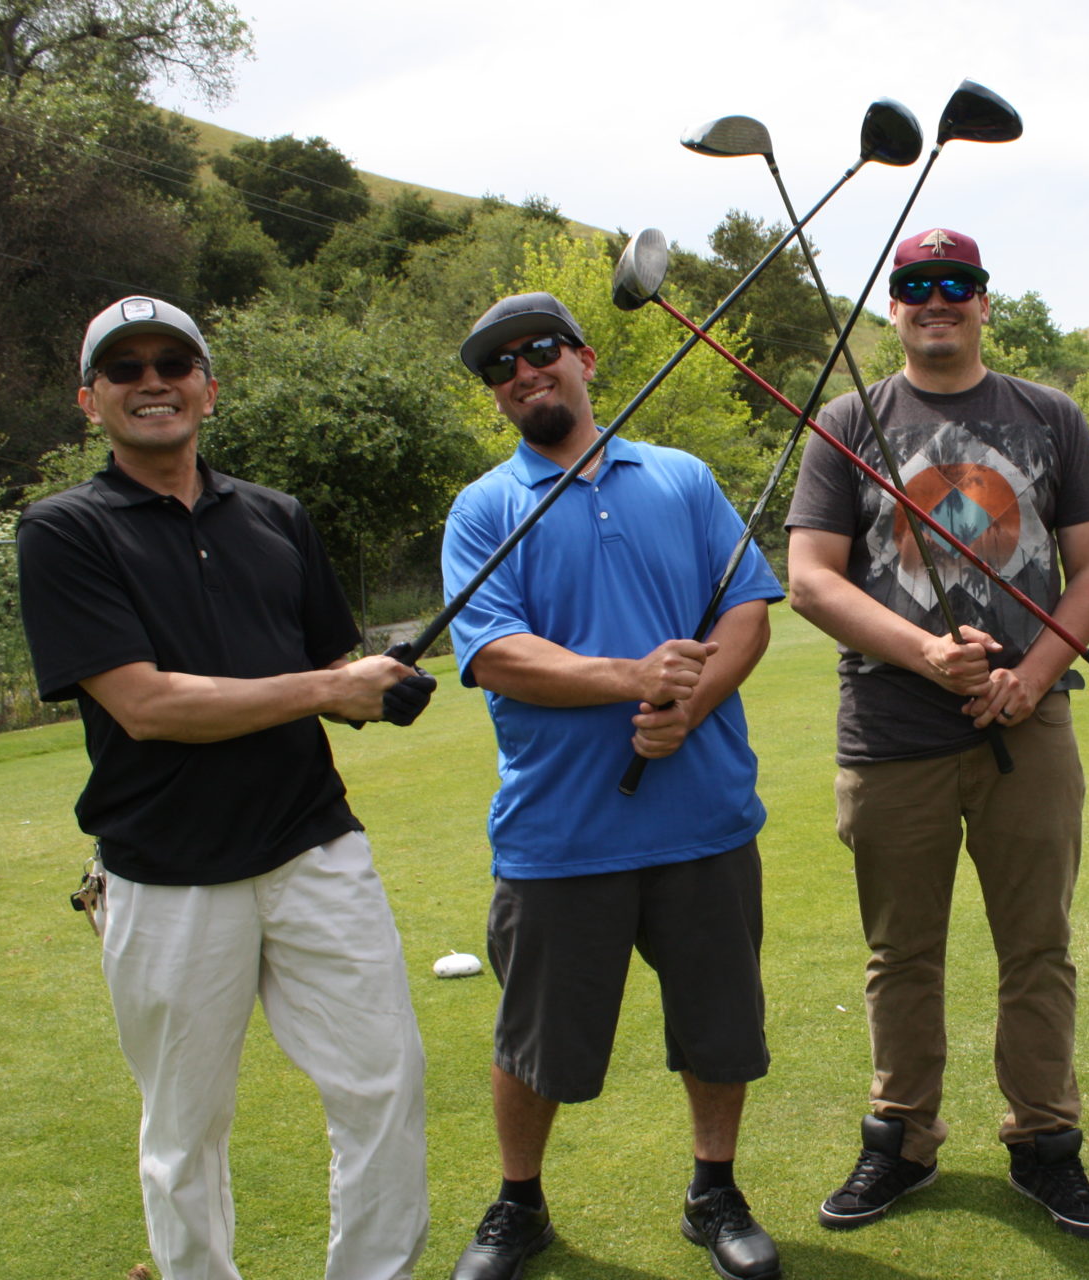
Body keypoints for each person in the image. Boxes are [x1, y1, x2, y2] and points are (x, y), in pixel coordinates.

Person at [16, 296, 438, 1280]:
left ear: (210, 385)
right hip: (165, 874)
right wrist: (333, 685)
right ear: (91, 400)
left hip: (311, 846)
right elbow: (147, 703)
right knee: (185, 1128)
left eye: (174, 361)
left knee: (385, 1083)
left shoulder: (276, 514)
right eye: (126, 368)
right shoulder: (64, 531)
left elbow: (326, 665)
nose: (152, 379)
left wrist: (375, 685)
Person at [441, 292, 786, 1280]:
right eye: (499, 366)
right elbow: (498, 652)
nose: (523, 371)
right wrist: (636, 677)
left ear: (584, 357)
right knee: (533, 1041)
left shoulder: (681, 477)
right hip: (560, 831)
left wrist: (691, 702)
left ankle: (713, 1188)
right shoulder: (484, 509)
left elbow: (749, 607)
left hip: (705, 818)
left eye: (539, 350)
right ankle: (519, 1204)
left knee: (720, 1029)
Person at [784, 228, 1089, 1239]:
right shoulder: (847, 420)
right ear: (894, 305)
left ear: (984, 300)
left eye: (956, 285)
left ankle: (1046, 1142)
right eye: (917, 285)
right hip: (891, 732)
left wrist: (1032, 674)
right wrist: (927, 654)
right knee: (902, 954)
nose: (938, 300)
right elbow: (810, 578)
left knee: (1038, 944)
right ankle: (900, 1137)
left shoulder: (1051, 416)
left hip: (1030, 726)